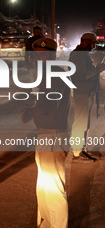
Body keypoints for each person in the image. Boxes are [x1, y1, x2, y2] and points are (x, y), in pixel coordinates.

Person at [22, 38, 70, 228]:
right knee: (43, 187)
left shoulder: (55, 74)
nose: (39, 57)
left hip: (54, 137)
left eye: (44, 54)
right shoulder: (47, 74)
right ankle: (46, 224)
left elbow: (50, 103)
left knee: (54, 190)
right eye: (37, 54)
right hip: (45, 135)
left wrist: (31, 112)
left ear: (53, 55)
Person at [69, 32, 105, 162]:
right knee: (80, 124)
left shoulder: (82, 53)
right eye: (92, 42)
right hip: (82, 93)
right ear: (85, 41)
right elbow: (82, 75)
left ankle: (81, 149)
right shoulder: (78, 54)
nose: (94, 45)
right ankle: (77, 152)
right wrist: (97, 69)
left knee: (85, 124)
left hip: (86, 92)